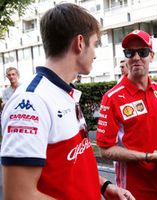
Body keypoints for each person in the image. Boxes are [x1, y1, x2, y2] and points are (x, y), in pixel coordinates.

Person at [0, 3, 134, 200]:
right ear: (80, 42)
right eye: (95, 43)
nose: (95, 53)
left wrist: (104, 187)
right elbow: (19, 195)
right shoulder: (31, 101)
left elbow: (73, 161)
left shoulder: (63, 93)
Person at [96, 30, 157, 200]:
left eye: (142, 52)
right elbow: (105, 150)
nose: (136, 57)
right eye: (130, 52)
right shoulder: (112, 98)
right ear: (125, 57)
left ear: (151, 56)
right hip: (133, 193)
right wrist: (148, 157)